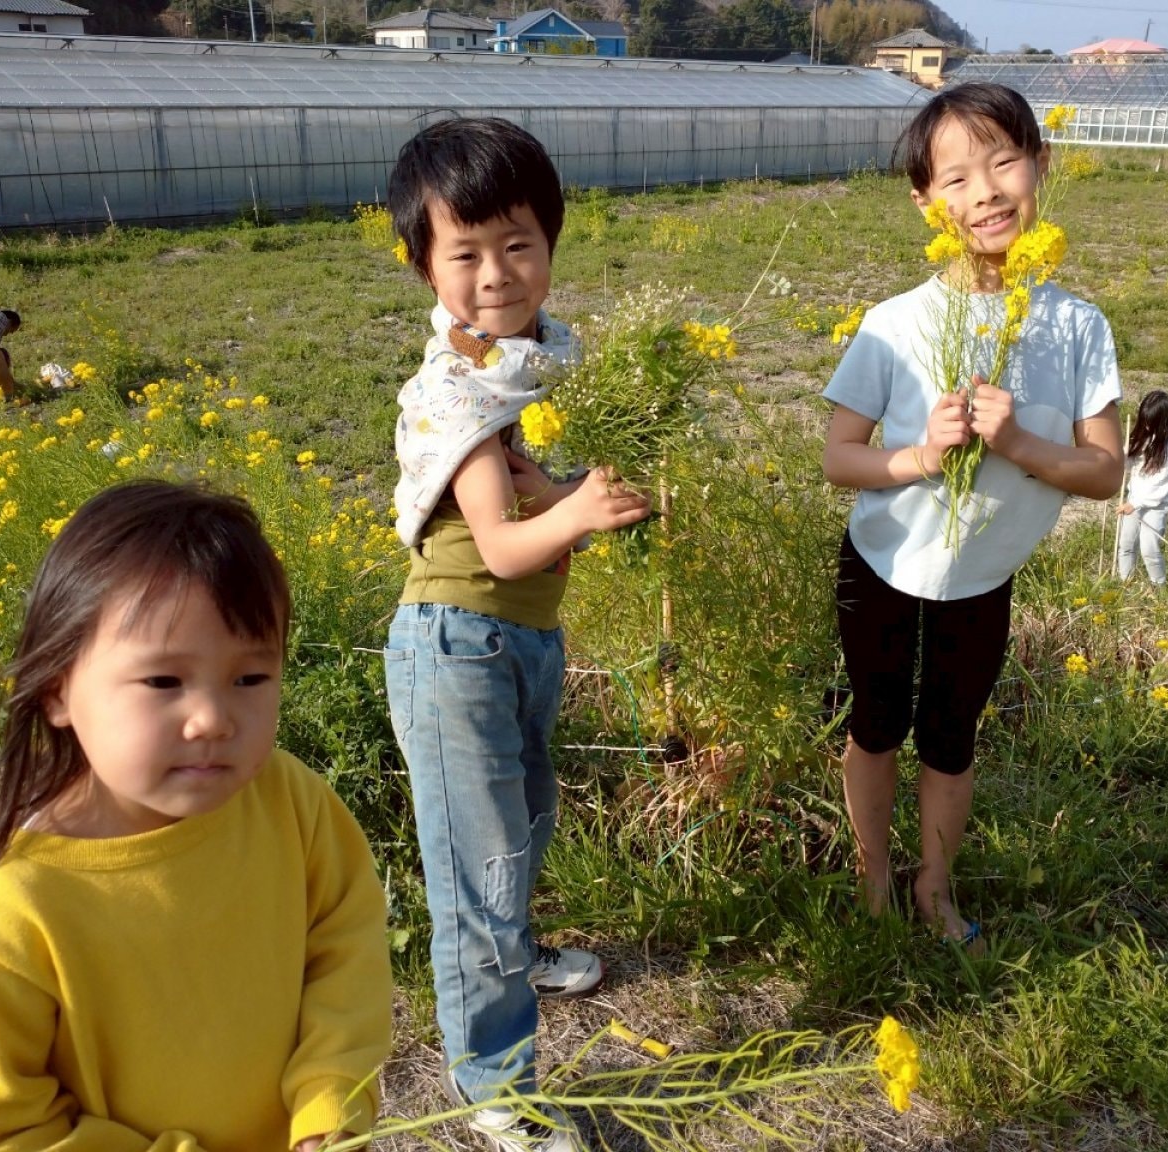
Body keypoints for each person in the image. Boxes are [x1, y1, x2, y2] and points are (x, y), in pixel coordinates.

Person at [0, 480, 393, 1152]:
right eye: (164, 682)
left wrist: (329, 1102)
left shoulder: (289, 799)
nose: (213, 720)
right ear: (57, 691)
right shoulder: (21, 914)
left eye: (250, 679)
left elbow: (347, 949)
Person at [383, 117, 650, 1152]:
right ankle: (494, 1086)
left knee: (524, 824)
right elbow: (500, 544)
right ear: (425, 267)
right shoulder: (460, 392)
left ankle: (515, 951)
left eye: (519, 243)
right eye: (465, 252)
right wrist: (577, 512)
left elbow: (538, 495)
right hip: (457, 645)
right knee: (478, 870)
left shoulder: (521, 368)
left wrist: (584, 493)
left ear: (551, 241)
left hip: (516, 645)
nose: (497, 272)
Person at [820, 83, 1124, 945]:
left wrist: (1021, 444)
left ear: (1041, 165)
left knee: (952, 740)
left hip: (984, 576)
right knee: (876, 727)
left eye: (1002, 162)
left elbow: (1102, 472)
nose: (985, 191)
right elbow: (838, 456)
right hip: (881, 565)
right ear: (924, 203)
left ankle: (934, 890)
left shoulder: (1075, 326)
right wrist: (918, 456)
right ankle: (872, 878)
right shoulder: (892, 324)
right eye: (954, 179)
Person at [1117, 389, 1168, 587]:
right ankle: (1126, 585)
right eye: (1145, 419)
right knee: (1126, 545)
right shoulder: (1144, 433)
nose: (1146, 425)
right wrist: (1119, 459)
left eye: (1152, 421)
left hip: (1156, 504)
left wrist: (1136, 503)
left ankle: (1159, 589)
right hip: (1134, 498)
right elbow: (1129, 461)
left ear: (1165, 422)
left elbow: (1163, 482)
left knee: (1149, 549)